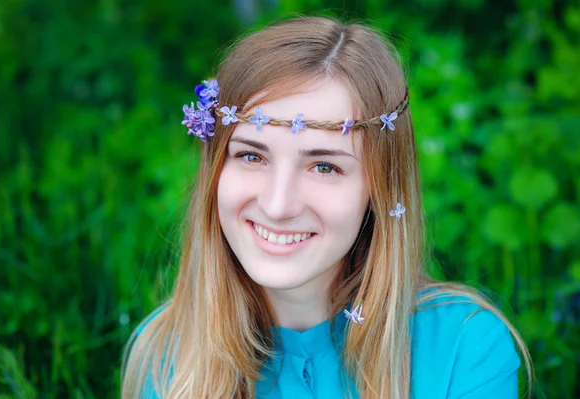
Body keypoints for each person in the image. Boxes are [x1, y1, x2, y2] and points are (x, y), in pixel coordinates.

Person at [121, 16, 533, 399]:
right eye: (251, 156)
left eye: (324, 166)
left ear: (380, 187)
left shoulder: (462, 347)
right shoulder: (167, 356)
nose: (278, 205)